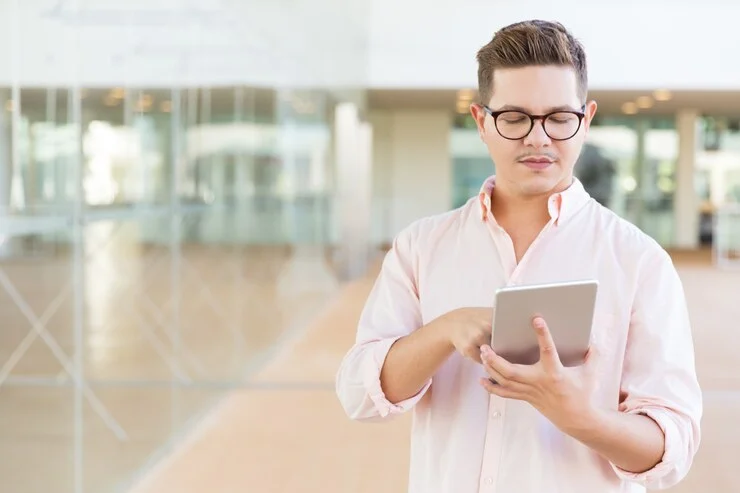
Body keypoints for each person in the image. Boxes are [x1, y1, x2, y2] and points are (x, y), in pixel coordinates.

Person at [335, 19, 702, 493]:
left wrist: (581, 417)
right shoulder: (421, 247)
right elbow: (358, 396)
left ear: (586, 120)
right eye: (514, 118)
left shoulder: (639, 260)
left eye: (559, 118)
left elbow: (673, 450)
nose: (537, 138)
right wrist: (443, 330)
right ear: (481, 122)